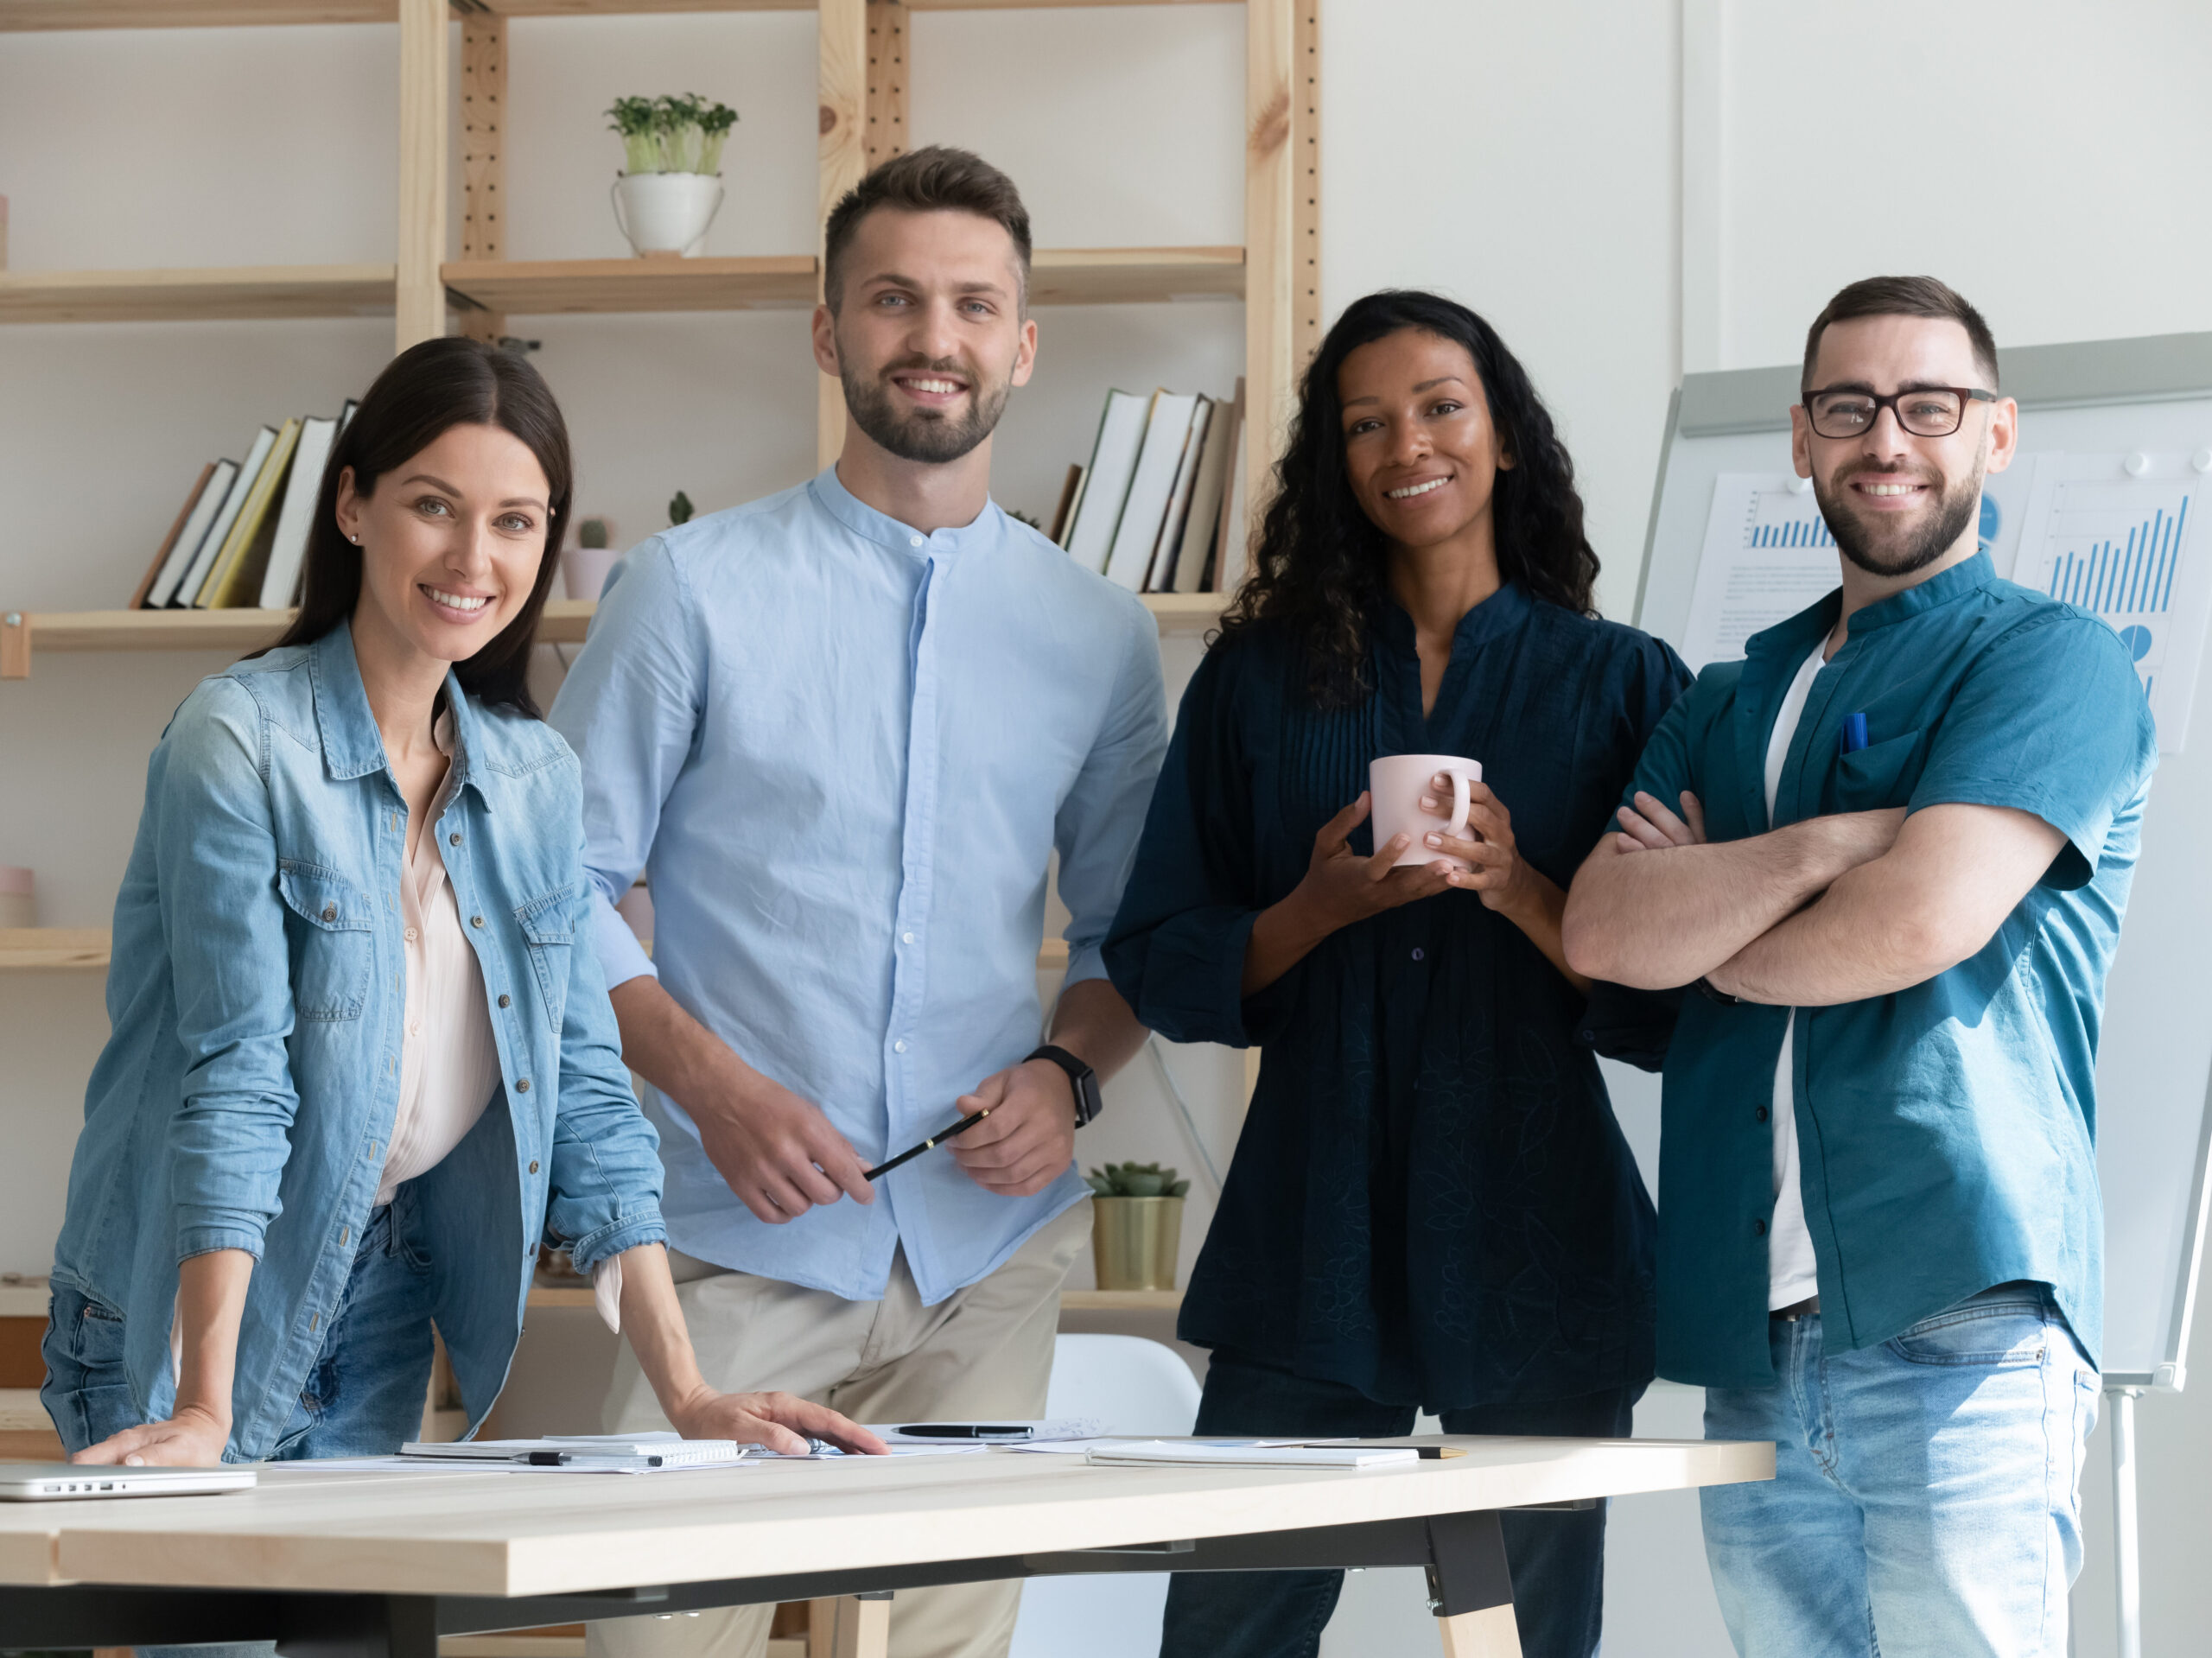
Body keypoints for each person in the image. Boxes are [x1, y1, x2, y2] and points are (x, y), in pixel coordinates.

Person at [42, 337, 880, 1494]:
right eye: (434, 505)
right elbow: (232, 1079)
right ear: (352, 505)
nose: (473, 558)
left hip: (381, 1283)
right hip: (189, 1284)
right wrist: (203, 1408)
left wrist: (688, 1393)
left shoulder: (533, 778)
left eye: (517, 521)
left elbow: (587, 1088)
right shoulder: (236, 743)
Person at [548, 146, 1166, 1658]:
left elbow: (1135, 938)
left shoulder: (1100, 635)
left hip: (985, 1259)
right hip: (728, 1252)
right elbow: (545, 890)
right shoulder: (688, 591)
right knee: (654, 1647)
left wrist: (1068, 1072)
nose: (932, 338)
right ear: (829, 331)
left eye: (972, 306)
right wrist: (718, 1087)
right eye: (893, 299)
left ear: (1023, 345)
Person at [1561, 276, 2157, 1657]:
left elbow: (1920, 922)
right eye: (1850, 406)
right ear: (1801, 437)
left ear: (1995, 435)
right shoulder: (1726, 696)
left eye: (1928, 405)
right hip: (1750, 1338)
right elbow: (1601, 933)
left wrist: (1710, 923)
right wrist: (1836, 842)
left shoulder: (2052, 662)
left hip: (1961, 1311)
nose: (1887, 436)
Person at [1103, 289, 1691, 1658]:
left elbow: (1680, 1003)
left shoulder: (1622, 686)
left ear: (1503, 437)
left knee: (1530, 1643)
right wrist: (1311, 910)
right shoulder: (1256, 684)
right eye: (1365, 423)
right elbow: (1156, 956)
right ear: (1335, 462)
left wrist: (1526, 891)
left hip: (1540, 1230)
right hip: (1310, 1228)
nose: (1404, 444)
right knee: (1228, 1634)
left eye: (1439, 407)